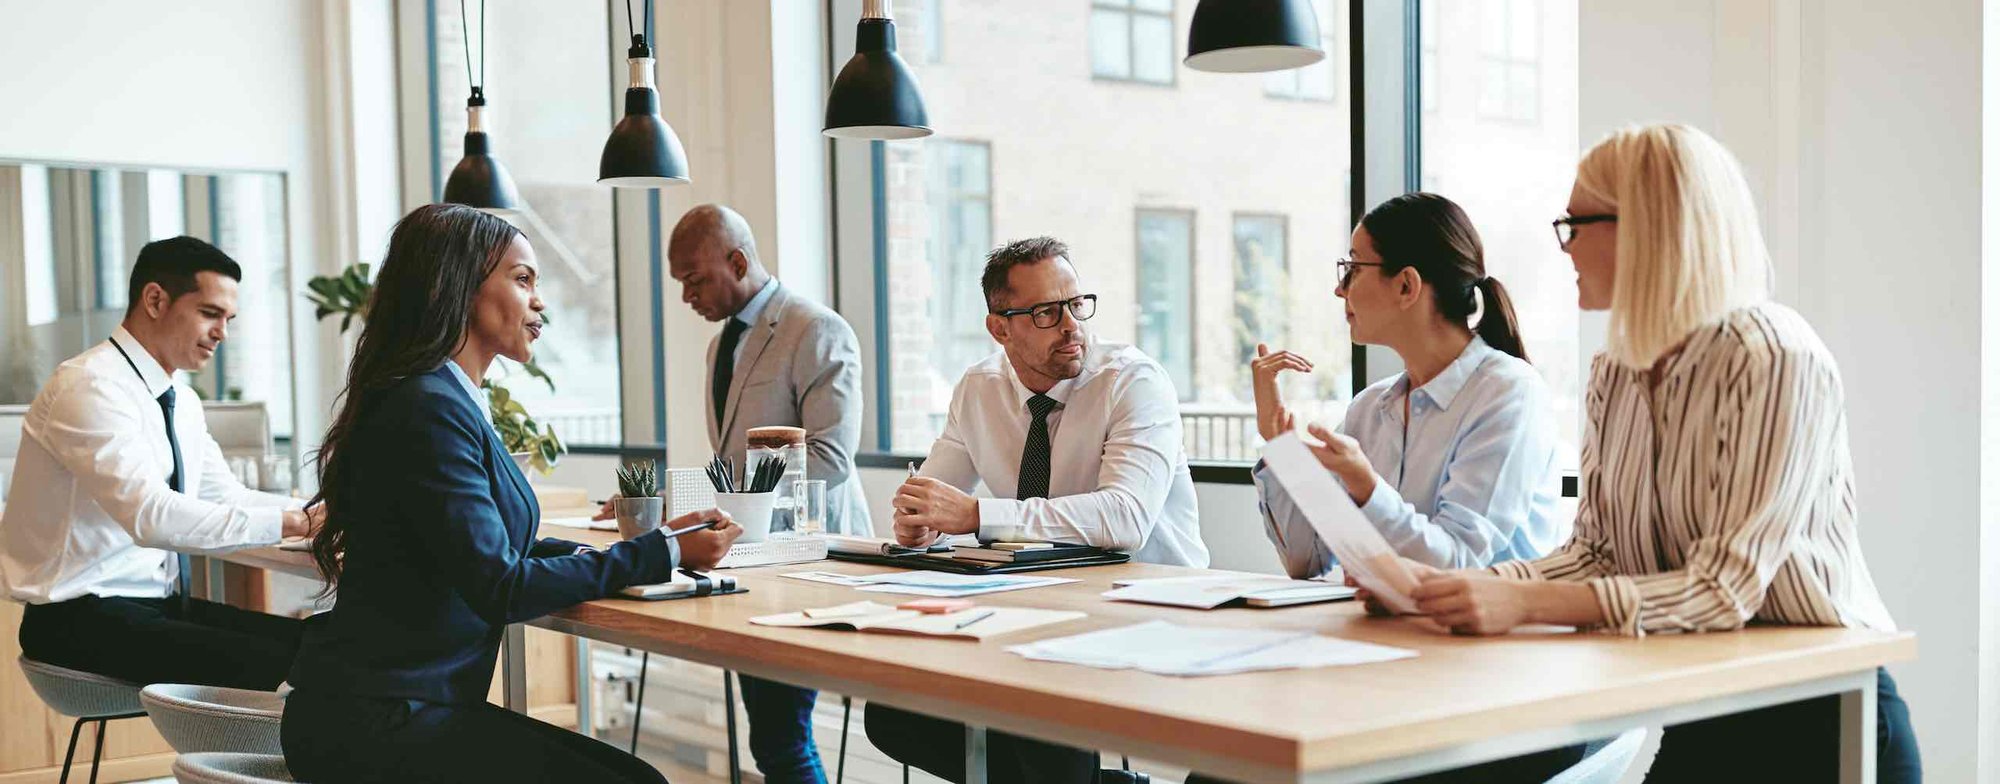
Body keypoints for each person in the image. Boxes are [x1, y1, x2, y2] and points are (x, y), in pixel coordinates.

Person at [1380, 124, 1919, 782]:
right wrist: (1456, 590)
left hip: (1825, 722)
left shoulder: (1774, 357)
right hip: (1702, 708)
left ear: (1648, 227)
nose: (1566, 246)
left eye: (1575, 224)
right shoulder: (1615, 372)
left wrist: (1520, 602)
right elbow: (1594, 553)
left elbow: (1722, 590)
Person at [279, 204, 741, 784]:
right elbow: (500, 585)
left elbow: (479, 546)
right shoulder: (428, 406)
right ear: (461, 288)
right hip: (379, 722)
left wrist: (620, 551)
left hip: (397, 707)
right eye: (523, 279)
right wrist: (663, 551)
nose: (540, 301)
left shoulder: (439, 397)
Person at [864, 236, 1206, 784]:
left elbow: (1124, 519)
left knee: (1035, 717)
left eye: (1076, 304)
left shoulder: (1134, 383)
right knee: (895, 713)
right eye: (1047, 312)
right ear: (1000, 328)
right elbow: (931, 498)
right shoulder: (978, 389)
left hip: (1148, 607)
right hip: (1033, 604)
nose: (1072, 325)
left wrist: (978, 515)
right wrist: (915, 520)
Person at [589, 203, 869, 784]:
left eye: (694, 278)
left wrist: (734, 509)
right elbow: (732, 466)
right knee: (771, 738)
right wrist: (667, 506)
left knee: (780, 740)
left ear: (737, 261)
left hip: (807, 561)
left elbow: (829, 462)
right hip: (750, 564)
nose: (687, 295)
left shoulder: (815, 329)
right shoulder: (722, 348)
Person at [0, 235, 316, 690]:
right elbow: (150, 516)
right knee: (292, 664)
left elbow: (224, 495)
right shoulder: (89, 386)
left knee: (320, 644)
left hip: (153, 605)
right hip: (77, 618)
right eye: (210, 313)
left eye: (228, 319)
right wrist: (293, 523)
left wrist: (312, 512)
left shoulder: (181, 400)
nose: (222, 333)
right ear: (154, 300)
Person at [1250, 192, 1565, 575]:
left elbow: (1458, 563)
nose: (1340, 288)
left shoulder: (1509, 394)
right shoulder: (1369, 409)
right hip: (1388, 629)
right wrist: (1281, 446)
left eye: (1354, 267)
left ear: (1406, 286)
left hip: (1486, 634)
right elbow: (1308, 560)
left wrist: (1365, 486)